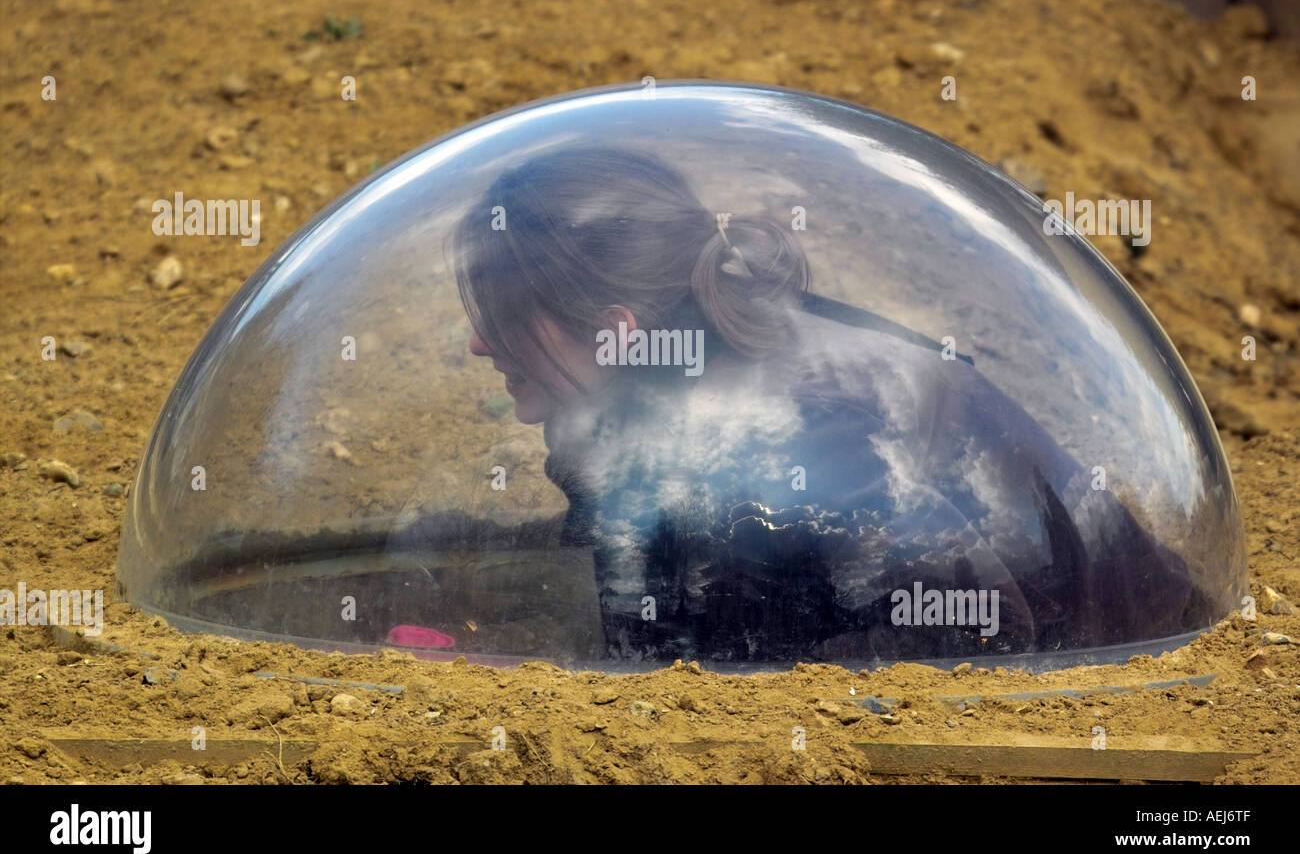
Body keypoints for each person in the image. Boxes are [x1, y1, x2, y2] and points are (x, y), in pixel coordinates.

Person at [450, 146, 1200, 666]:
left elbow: (983, 635)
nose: (480, 344)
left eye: (504, 317)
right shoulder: (663, 396)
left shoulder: (808, 439)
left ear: (617, 332)